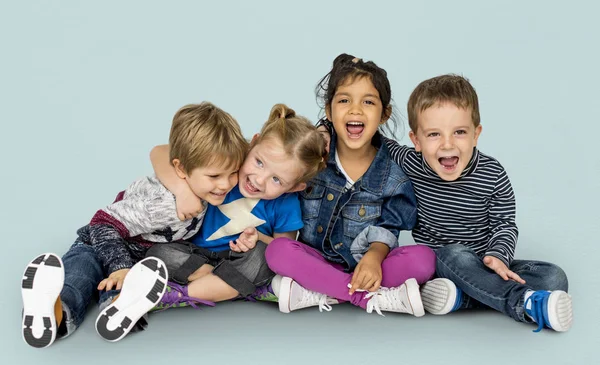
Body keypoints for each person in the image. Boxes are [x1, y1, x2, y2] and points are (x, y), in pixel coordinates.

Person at [321, 74, 573, 332]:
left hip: (486, 266)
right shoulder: (410, 162)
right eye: (433, 135)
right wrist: (324, 128)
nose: (448, 144)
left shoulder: (493, 174)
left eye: (460, 132)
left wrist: (498, 256)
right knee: (454, 254)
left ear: (476, 134)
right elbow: (370, 134)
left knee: (554, 277)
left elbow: (504, 225)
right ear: (416, 141)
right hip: (439, 263)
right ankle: (521, 303)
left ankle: (462, 299)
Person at [20, 102, 248, 347]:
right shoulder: (164, 205)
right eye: (214, 176)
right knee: (81, 274)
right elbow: (101, 222)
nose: (226, 184)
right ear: (181, 169)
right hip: (98, 244)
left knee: (124, 290)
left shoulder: (202, 186)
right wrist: (120, 265)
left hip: (138, 258)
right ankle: (52, 308)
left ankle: (114, 310)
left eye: (232, 172)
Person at [265, 54, 436, 316]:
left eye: (368, 102)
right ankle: (364, 297)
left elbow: (388, 229)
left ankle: (318, 291)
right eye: (344, 100)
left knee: (424, 260)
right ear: (329, 111)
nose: (355, 110)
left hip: (371, 266)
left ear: (384, 114)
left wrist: (374, 257)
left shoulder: (393, 174)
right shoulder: (311, 157)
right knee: (278, 251)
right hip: (316, 260)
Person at [146, 103, 328, 308]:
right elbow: (160, 152)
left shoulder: (287, 205)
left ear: (295, 187)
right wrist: (182, 191)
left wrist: (258, 238)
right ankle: (225, 286)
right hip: (195, 253)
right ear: (252, 143)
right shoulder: (230, 157)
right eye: (259, 162)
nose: (259, 180)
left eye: (276, 179)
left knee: (262, 260)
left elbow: (284, 251)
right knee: (159, 253)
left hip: (242, 260)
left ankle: (176, 296)